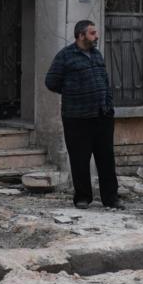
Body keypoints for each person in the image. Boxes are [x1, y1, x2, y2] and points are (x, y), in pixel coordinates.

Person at [45, 20, 122, 210]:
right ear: (81, 35)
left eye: (96, 33)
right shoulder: (65, 56)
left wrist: (109, 104)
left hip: (102, 115)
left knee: (106, 158)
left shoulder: (97, 55)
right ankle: (82, 197)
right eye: (92, 33)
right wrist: (73, 92)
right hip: (76, 117)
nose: (96, 36)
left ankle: (111, 199)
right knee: (80, 159)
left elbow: (104, 80)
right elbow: (51, 82)